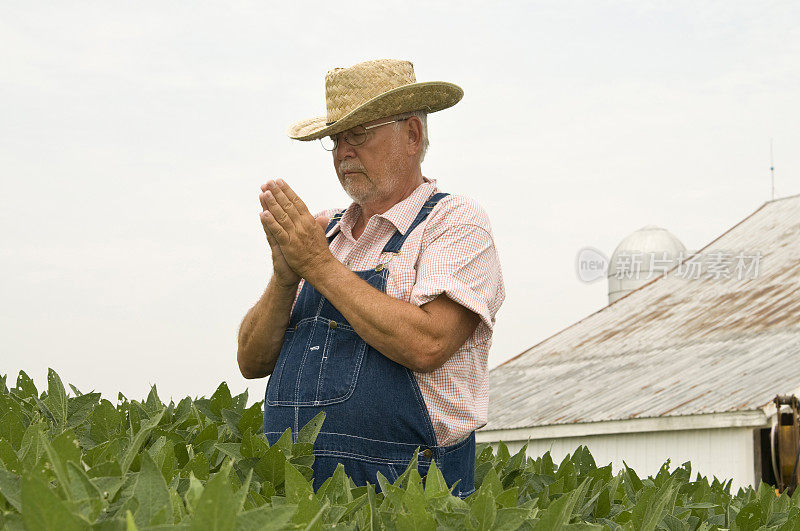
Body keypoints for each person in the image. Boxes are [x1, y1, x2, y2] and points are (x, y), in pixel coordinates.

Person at [236, 59, 504, 497]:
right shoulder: (322, 232)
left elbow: (428, 343)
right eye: (336, 139)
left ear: (412, 134)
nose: (344, 151)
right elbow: (251, 361)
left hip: (410, 498)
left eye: (359, 134)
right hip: (297, 494)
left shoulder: (455, 223)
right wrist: (285, 278)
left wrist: (319, 267)